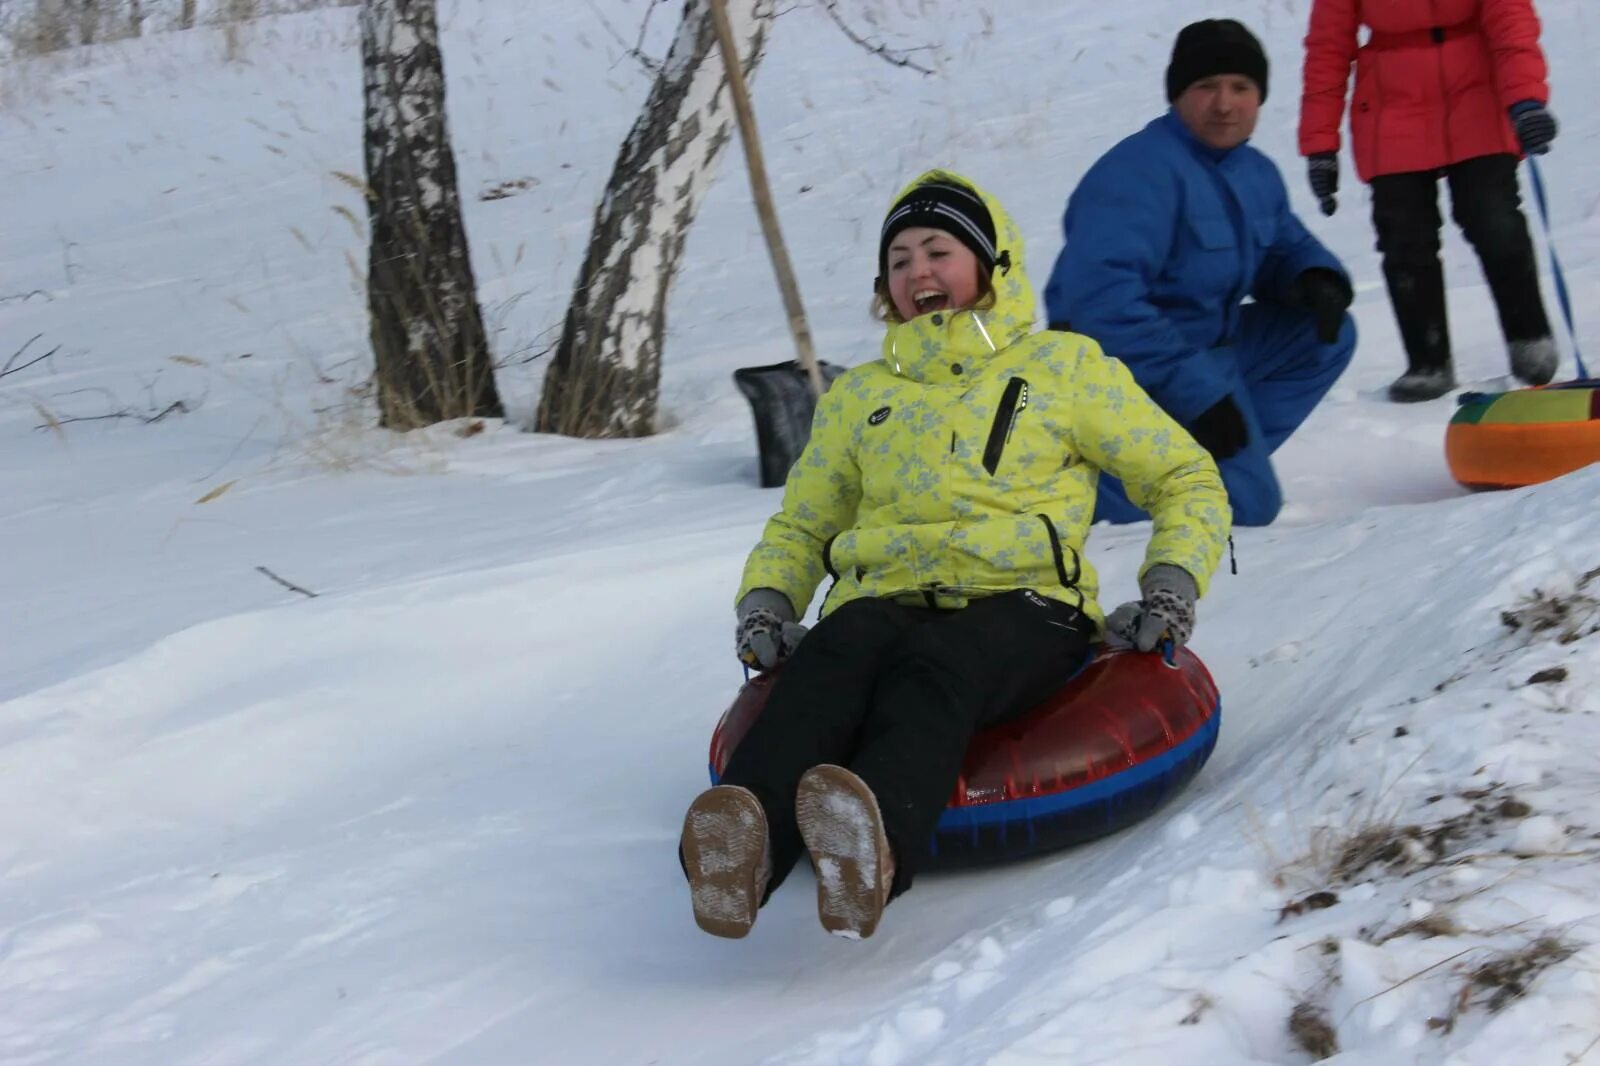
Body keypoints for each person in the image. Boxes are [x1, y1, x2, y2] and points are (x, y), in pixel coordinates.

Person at [679, 171, 1232, 941]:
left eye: (939, 250)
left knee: (938, 666)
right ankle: (740, 847)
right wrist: (768, 602)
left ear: (991, 263)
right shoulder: (859, 395)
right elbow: (804, 521)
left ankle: (872, 848)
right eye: (899, 260)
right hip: (882, 597)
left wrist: (1170, 586)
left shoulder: (1063, 368)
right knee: (833, 659)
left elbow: (1183, 477)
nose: (918, 273)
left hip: (1026, 603)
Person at [1044, 18, 1357, 528]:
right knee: (1251, 509)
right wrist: (1201, 398)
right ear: (1178, 95)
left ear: (1259, 97)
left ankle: (1202, 457)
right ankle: (1083, 484)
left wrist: (1312, 278)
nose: (1224, 104)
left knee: (1328, 335)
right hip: (1120, 374)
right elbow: (1102, 307)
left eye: (1241, 87)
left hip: (1208, 352)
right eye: (1206, 87)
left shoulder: (1252, 171)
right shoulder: (1137, 173)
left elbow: (1283, 245)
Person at [1299, 0, 1560, 403]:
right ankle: (1428, 362)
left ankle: (1530, 341)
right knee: (1403, 236)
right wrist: (1320, 145)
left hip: (1476, 87)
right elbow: (1327, 48)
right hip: (1390, 100)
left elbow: (1510, 20)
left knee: (1495, 220)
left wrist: (1525, 101)